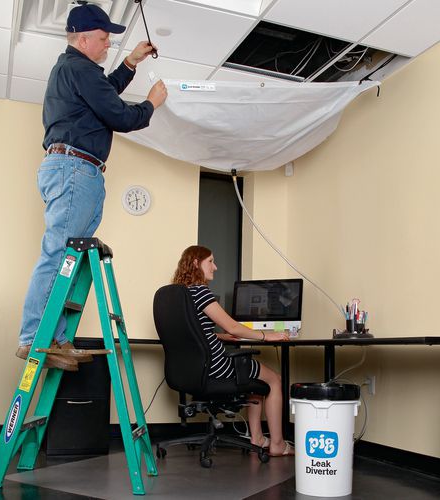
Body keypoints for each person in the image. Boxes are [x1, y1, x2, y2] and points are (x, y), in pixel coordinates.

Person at [16, 3, 168, 371]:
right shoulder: (79, 68)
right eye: (103, 38)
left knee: (68, 259)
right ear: (83, 40)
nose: (107, 45)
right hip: (75, 169)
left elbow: (103, 95)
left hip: (77, 170)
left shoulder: (74, 71)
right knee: (58, 255)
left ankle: (55, 337)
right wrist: (151, 104)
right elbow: (118, 114)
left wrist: (130, 63)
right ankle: (34, 338)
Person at [172, 245, 294, 457]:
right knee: (274, 379)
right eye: (211, 261)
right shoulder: (200, 291)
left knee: (256, 382)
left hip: (190, 370)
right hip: (215, 366)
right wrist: (267, 336)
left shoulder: (181, 295)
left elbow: (192, 334)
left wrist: (220, 337)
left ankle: (257, 438)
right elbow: (233, 326)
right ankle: (277, 444)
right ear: (195, 263)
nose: (215, 267)